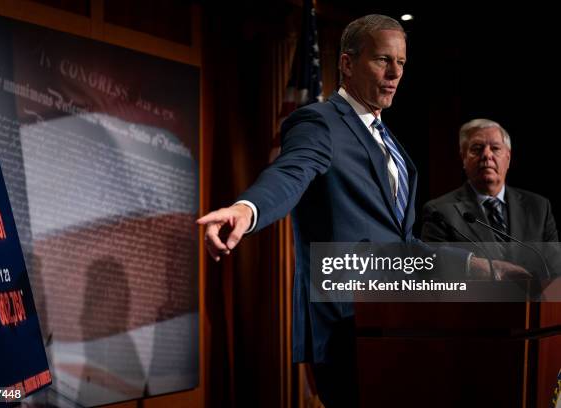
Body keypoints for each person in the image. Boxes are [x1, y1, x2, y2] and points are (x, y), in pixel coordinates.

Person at [198, 16, 524, 407]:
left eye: (401, 63)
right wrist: (246, 209)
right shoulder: (319, 123)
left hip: (400, 322)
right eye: (382, 60)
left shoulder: (393, 144)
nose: (394, 73)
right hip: (347, 325)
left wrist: (480, 266)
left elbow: (403, 246)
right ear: (348, 64)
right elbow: (290, 173)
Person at [421, 118, 559, 255]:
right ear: (463, 158)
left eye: (495, 148)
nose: (487, 155)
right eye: (477, 149)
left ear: (508, 157)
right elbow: (436, 266)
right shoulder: (439, 212)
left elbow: (556, 269)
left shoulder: (539, 208)